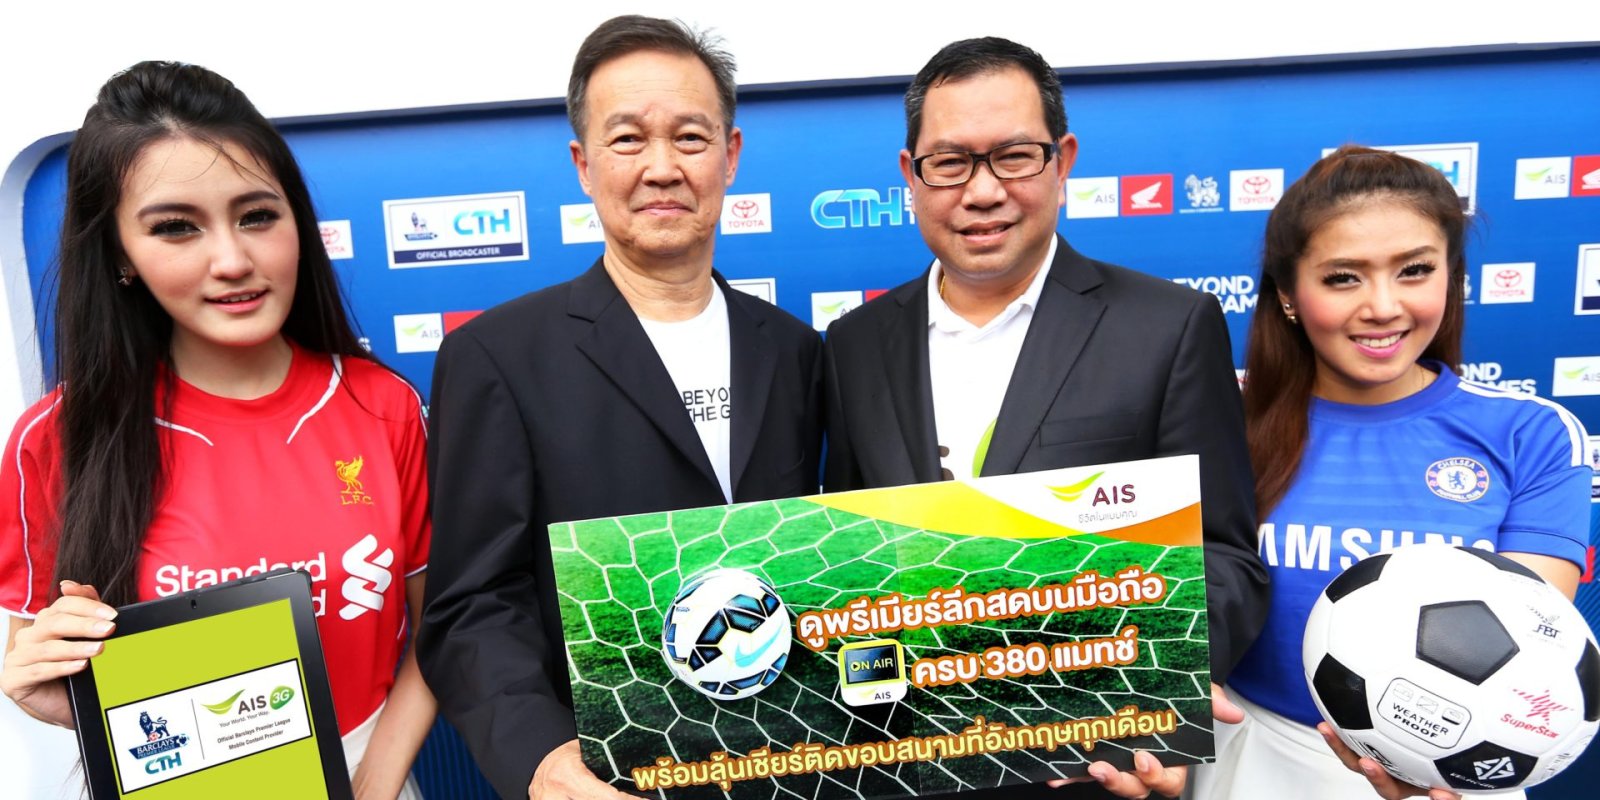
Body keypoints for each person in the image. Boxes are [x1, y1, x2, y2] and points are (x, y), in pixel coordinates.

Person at [822, 37, 1269, 799]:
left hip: (1092, 760)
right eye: (949, 162)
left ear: (1062, 161)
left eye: (1014, 157)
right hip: (906, 770)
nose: (982, 191)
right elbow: (846, 562)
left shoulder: (1167, 327)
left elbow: (1224, 559)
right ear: (911, 175)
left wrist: (1162, 678)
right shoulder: (853, 345)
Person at [0, 62, 435, 798]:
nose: (233, 261)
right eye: (176, 228)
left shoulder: (382, 406)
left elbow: (440, 630)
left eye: (257, 215)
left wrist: (372, 783)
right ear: (120, 254)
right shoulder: (55, 437)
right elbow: (42, 659)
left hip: (369, 772)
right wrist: (63, 698)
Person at [415, 15, 823, 800]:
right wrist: (541, 759)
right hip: (607, 774)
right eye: (629, 139)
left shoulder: (793, 351)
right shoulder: (497, 357)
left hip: (785, 762)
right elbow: (471, 605)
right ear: (584, 163)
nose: (662, 168)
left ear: (731, 155)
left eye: (691, 139)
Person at [1193, 146, 1590, 800]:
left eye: (1414, 270)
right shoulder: (1218, 418)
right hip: (1250, 754)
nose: (1382, 306)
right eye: (1343, 278)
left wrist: (1427, 760)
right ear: (1289, 293)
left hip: (1452, 770)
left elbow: (1528, 656)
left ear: (1451, 276)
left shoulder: (1531, 434)